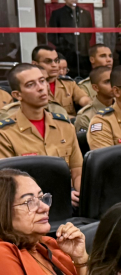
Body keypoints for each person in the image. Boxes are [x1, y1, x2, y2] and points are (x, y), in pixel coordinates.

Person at [0, 64, 82, 206]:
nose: (41, 88)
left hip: (69, 203)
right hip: (27, 206)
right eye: (31, 84)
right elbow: (9, 184)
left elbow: (77, 171)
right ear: (17, 95)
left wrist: (82, 195)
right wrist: (57, 195)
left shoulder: (64, 125)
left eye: (42, 81)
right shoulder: (5, 133)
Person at [47, 0, 93, 78]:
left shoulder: (85, 13)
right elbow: (52, 35)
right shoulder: (57, 14)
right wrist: (64, 45)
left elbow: (89, 32)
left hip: (83, 52)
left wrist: (82, 44)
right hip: (66, 52)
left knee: (85, 76)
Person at [32, 45, 90, 116]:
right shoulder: (31, 88)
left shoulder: (69, 84)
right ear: (35, 64)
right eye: (48, 61)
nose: (54, 65)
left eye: (56, 61)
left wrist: (92, 104)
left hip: (71, 125)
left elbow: (83, 99)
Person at [75, 67, 114, 132]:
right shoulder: (85, 116)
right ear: (96, 88)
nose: (113, 85)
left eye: (114, 80)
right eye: (107, 82)